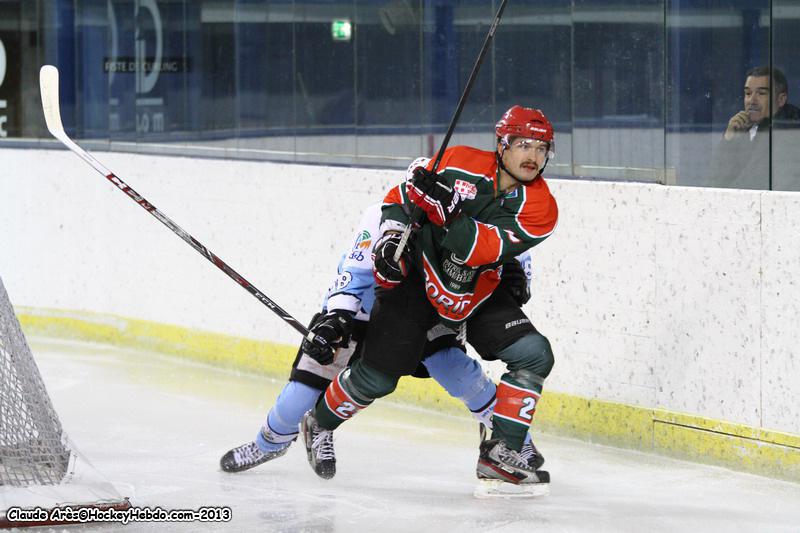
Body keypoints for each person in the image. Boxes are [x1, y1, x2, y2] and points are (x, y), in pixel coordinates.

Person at [302, 106, 558, 493]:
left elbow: (477, 249)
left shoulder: (541, 208)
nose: (533, 156)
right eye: (523, 145)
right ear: (502, 145)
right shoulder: (458, 162)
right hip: (416, 280)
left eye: (541, 148)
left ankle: (501, 451)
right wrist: (392, 239)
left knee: (534, 353)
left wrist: (449, 214)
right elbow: (400, 198)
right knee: (378, 377)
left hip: (475, 288)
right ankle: (319, 423)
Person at [219, 200, 543, 478]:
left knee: (459, 372)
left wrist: (514, 284)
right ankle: (270, 443)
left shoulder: (476, 219)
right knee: (299, 396)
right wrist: (337, 317)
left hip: (421, 315)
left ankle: (510, 441)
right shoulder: (384, 215)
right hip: (362, 313)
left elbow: (511, 259)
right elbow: (355, 272)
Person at [710, 66, 800, 189]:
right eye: (748, 93)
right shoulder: (745, 129)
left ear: (781, 99)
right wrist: (729, 138)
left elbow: (749, 183)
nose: (752, 100)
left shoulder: (790, 132)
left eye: (761, 93)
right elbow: (715, 182)